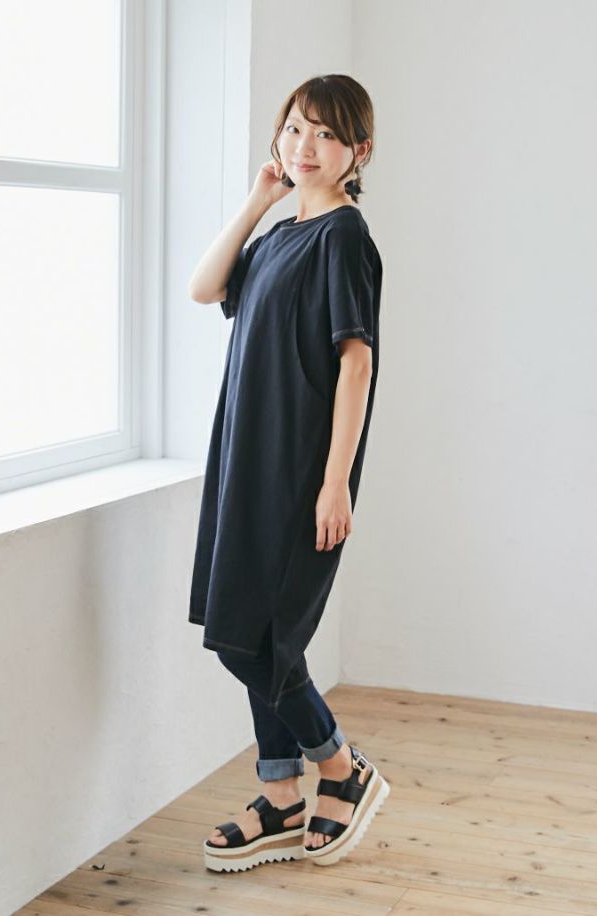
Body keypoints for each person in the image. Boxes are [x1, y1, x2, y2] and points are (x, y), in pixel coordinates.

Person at [187, 74, 389, 872]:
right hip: (246, 457)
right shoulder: (278, 237)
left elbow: (356, 363)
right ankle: (280, 795)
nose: (307, 146)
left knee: (256, 636)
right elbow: (205, 287)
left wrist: (335, 481)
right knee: (247, 629)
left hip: (297, 468)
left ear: (357, 152)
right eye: (297, 128)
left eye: (327, 135)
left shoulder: (344, 237)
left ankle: (340, 766)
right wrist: (257, 201)